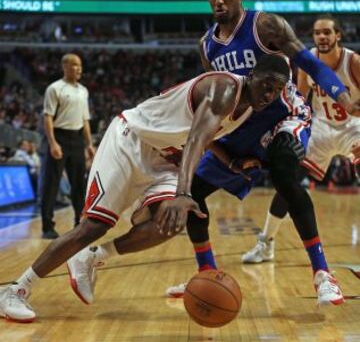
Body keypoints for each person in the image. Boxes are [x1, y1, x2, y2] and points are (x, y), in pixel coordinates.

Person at [0, 55, 290, 323]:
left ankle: (93, 256)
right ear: (252, 75)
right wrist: (184, 193)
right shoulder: (225, 88)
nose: (269, 94)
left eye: (277, 90)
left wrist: (233, 162)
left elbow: (207, 135)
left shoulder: (248, 107)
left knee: (171, 222)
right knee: (93, 226)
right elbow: (195, 140)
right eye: (266, 85)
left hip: (164, 160)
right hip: (130, 141)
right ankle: (16, 290)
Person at [166, 0, 360, 305]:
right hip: (241, 127)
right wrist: (227, 154)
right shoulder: (207, 45)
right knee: (194, 192)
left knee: (286, 169)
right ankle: (207, 273)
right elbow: (216, 100)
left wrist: (343, 96)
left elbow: (311, 64)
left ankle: (322, 273)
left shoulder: (265, 24)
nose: (218, 0)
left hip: (283, 115)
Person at [242, 14, 360, 264]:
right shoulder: (308, 64)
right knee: (288, 182)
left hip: (353, 126)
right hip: (321, 128)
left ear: (338, 35)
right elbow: (298, 102)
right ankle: (266, 243)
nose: (322, 37)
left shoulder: (354, 62)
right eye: (318, 33)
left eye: (327, 32)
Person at [41, 53, 95, 239]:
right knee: (52, 183)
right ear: (64, 67)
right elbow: (47, 117)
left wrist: (89, 144)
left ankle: (79, 222)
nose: (78, 69)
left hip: (77, 139)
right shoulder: (54, 88)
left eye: (80, 65)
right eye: (74, 65)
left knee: (78, 184)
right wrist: (53, 142)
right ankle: (47, 226)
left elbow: (85, 120)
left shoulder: (83, 90)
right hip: (60, 136)